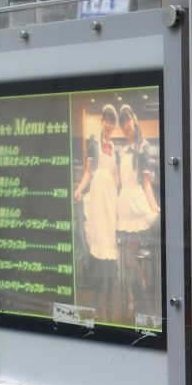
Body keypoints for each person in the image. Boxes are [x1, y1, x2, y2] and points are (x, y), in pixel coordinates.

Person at [115, 104, 160, 322]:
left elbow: (146, 182)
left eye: (127, 120)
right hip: (123, 205)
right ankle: (139, 289)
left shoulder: (143, 146)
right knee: (126, 259)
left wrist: (154, 207)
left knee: (129, 258)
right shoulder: (122, 151)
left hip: (136, 204)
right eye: (122, 122)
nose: (125, 125)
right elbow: (117, 182)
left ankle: (141, 299)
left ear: (134, 119)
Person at [72, 104, 119, 315]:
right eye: (107, 120)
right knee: (99, 243)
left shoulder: (115, 149)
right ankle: (98, 299)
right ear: (102, 121)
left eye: (112, 121)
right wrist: (79, 189)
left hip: (110, 199)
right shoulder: (94, 143)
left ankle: (108, 298)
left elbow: (116, 177)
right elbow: (89, 172)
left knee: (110, 244)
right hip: (98, 198)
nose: (109, 124)